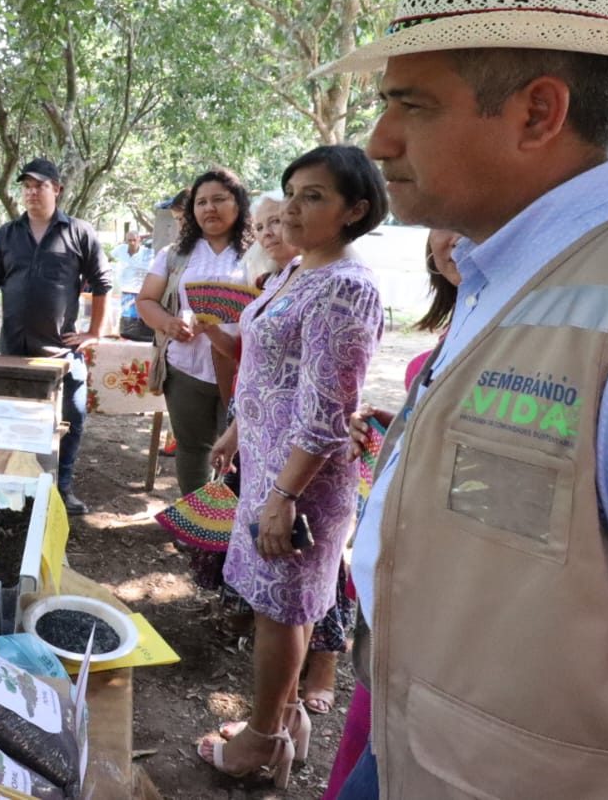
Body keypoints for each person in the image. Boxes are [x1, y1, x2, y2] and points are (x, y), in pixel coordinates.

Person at [315, 0, 608, 799]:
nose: (377, 141)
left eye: (409, 105)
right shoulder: (507, 269)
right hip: (414, 750)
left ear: (536, 113)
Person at [198, 145, 387, 786]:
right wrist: (236, 432)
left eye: (315, 197)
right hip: (266, 467)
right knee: (278, 603)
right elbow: (268, 374)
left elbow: (327, 410)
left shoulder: (345, 288)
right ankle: (287, 727)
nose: (295, 209)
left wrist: (283, 493)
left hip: (299, 482)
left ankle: (261, 739)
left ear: (355, 210)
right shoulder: (296, 272)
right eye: (293, 193)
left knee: (283, 607)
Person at [321, 227, 460, 800]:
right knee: (374, 715)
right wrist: (393, 423)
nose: (449, 236)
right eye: (441, 222)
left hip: (449, 578)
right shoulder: (467, 318)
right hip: (402, 572)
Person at [0, 157, 112, 516]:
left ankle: (60, 489)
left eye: (40, 185)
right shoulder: (5, 235)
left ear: (57, 189)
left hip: (62, 356)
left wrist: (94, 332)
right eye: (27, 186)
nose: (32, 192)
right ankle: (14, 492)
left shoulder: (79, 232)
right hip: (14, 353)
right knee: (12, 423)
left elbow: (103, 284)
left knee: (72, 420)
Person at [136, 168, 251, 495]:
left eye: (219, 199)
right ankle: (194, 530)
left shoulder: (260, 256)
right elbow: (147, 300)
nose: (209, 208)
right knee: (192, 448)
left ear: (238, 204)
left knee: (241, 451)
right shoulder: (173, 255)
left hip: (242, 371)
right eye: (201, 202)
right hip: (185, 368)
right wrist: (167, 323)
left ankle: (230, 532)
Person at [113, 230, 155, 341]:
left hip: (139, 289)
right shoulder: (121, 249)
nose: (132, 243)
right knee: (126, 313)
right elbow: (110, 258)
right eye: (129, 240)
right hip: (125, 287)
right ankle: (126, 332)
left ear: (139, 240)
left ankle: (140, 332)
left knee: (138, 313)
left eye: (134, 240)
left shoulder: (147, 254)